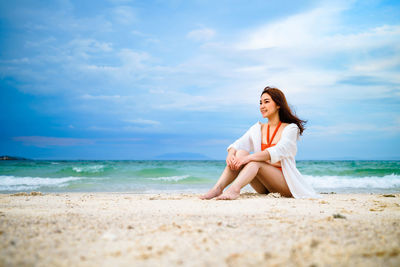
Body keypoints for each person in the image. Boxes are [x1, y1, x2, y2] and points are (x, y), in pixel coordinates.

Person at [199, 86, 320, 200]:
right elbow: (238, 144)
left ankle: (234, 189)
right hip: (264, 185)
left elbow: (279, 150)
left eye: (266, 102)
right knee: (240, 153)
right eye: (260, 103)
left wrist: (248, 158)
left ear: (278, 104)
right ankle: (218, 188)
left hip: (285, 184)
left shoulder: (290, 128)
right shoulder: (257, 128)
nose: (262, 106)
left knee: (253, 162)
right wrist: (231, 154)